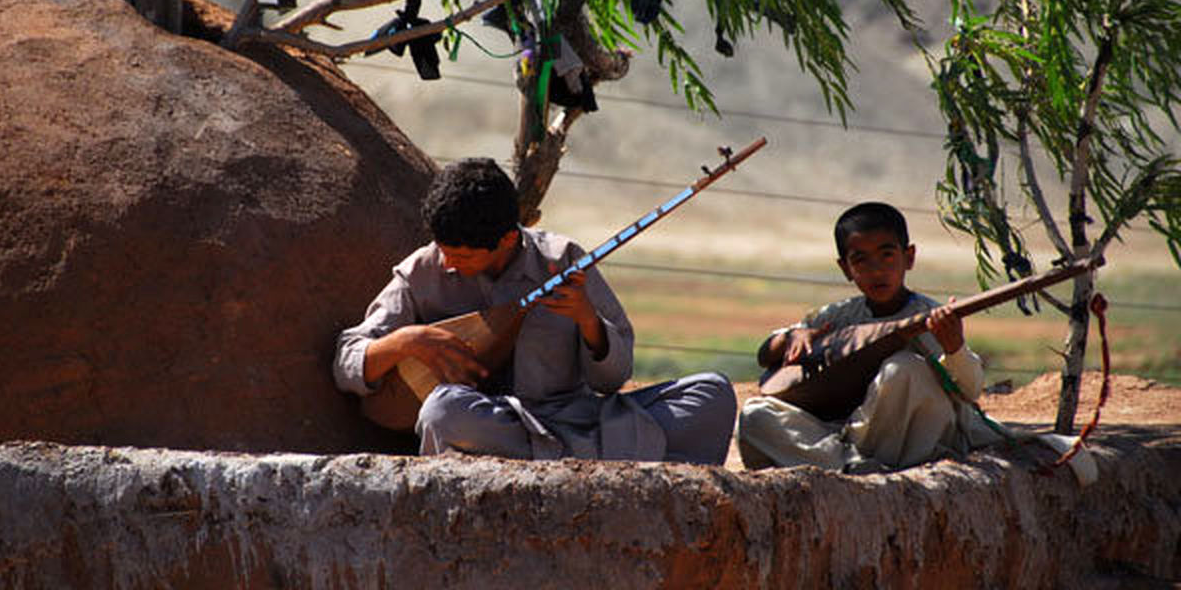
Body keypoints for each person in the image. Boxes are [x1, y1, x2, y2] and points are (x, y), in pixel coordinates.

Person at [333, 157, 737, 464]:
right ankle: (600, 465)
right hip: (497, 426)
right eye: (443, 249)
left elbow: (615, 378)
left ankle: (574, 466)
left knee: (711, 393)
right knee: (443, 412)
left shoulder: (562, 259)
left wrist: (587, 320)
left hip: (577, 420)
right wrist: (406, 341)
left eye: (461, 255)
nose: (448, 264)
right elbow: (347, 360)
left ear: (507, 239)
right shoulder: (423, 271)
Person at [737, 201, 1002, 472]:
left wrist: (954, 346)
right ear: (845, 268)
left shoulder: (930, 316)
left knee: (903, 369)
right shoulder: (838, 316)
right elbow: (765, 354)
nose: (876, 270)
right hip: (850, 439)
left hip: (909, 440)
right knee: (755, 415)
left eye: (887, 255)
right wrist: (793, 335)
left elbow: (970, 391)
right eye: (861, 260)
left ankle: (853, 467)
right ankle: (853, 468)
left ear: (909, 257)